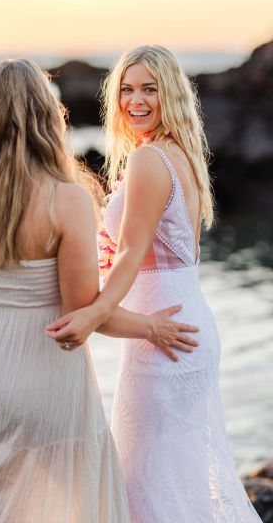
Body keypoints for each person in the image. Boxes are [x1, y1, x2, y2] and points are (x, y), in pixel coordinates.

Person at [0, 58, 199, 523]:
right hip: (48, 386)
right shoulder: (67, 198)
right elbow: (82, 311)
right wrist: (152, 327)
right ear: (49, 116)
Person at [48, 46, 262, 522]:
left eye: (149, 89)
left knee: (150, 484)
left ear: (171, 96)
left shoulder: (149, 159)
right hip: (180, 318)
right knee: (175, 477)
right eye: (127, 89)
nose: (136, 100)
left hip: (163, 331)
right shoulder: (177, 153)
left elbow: (128, 253)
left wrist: (93, 313)